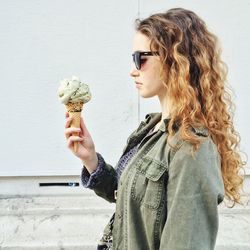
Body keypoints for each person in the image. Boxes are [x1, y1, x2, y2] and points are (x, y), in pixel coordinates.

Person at [64, 7, 246, 250]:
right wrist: (91, 160)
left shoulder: (192, 147)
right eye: (133, 59)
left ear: (175, 59)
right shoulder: (152, 129)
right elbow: (127, 196)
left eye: (141, 58)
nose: (133, 70)